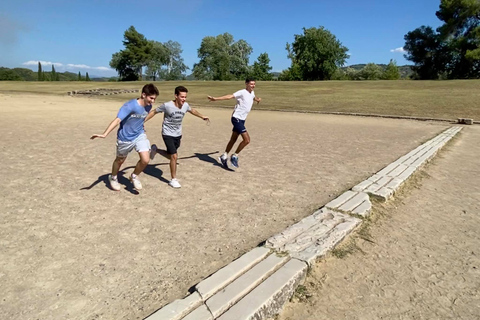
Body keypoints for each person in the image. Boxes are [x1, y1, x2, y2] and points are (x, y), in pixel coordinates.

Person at [90, 83, 159, 191]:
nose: (153, 101)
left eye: (154, 99)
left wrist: (141, 124)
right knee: (120, 160)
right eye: (151, 98)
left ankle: (134, 176)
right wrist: (104, 134)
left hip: (139, 135)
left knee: (145, 159)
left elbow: (142, 117)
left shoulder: (148, 106)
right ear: (143, 95)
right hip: (125, 138)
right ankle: (112, 177)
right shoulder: (130, 106)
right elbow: (118, 120)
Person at [146, 86, 209, 188]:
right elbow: (154, 111)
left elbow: (192, 110)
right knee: (174, 156)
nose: (184, 99)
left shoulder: (185, 105)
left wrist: (202, 116)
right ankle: (173, 179)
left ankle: (155, 149)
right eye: (182, 97)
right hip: (167, 133)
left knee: (172, 156)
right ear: (176, 96)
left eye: (185, 97)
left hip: (178, 134)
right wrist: (142, 121)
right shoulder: (167, 106)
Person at [207, 78, 261, 169]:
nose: (253, 86)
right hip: (237, 118)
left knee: (233, 139)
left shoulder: (252, 93)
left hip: (242, 119)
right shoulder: (242, 92)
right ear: (246, 84)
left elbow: (253, 97)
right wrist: (215, 99)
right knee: (247, 140)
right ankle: (235, 156)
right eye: (251, 84)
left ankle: (224, 156)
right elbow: (230, 96)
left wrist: (257, 99)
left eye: (254, 84)